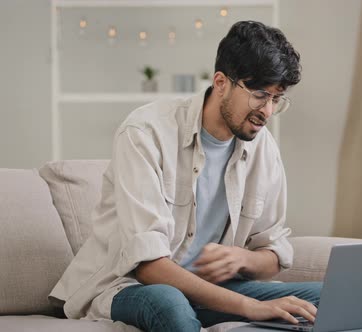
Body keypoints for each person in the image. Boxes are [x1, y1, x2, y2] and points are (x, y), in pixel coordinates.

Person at [49, 20, 321, 332]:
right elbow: (148, 266)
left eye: (277, 98)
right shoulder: (145, 133)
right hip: (129, 287)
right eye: (260, 94)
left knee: (324, 297)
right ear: (221, 83)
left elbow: (272, 251)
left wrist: (241, 259)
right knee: (170, 302)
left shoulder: (262, 147)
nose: (268, 111)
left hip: (213, 290)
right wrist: (252, 307)